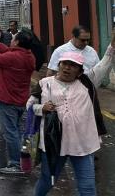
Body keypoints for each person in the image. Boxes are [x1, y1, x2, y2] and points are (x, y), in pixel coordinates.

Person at [32, 41, 113, 196]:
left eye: (73, 65)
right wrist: (41, 108)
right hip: (54, 144)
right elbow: (30, 107)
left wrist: (112, 47)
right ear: (59, 65)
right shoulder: (44, 84)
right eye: (64, 64)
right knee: (48, 180)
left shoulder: (87, 82)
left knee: (87, 187)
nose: (67, 68)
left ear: (79, 71)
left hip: (82, 144)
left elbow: (104, 64)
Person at [0, 29, 36, 175]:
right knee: (15, 131)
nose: (11, 40)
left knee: (10, 132)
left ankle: (16, 163)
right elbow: (9, 52)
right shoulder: (28, 56)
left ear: (17, 41)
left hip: (7, 100)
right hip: (19, 100)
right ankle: (21, 161)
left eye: (13, 38)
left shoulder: (13, 57)